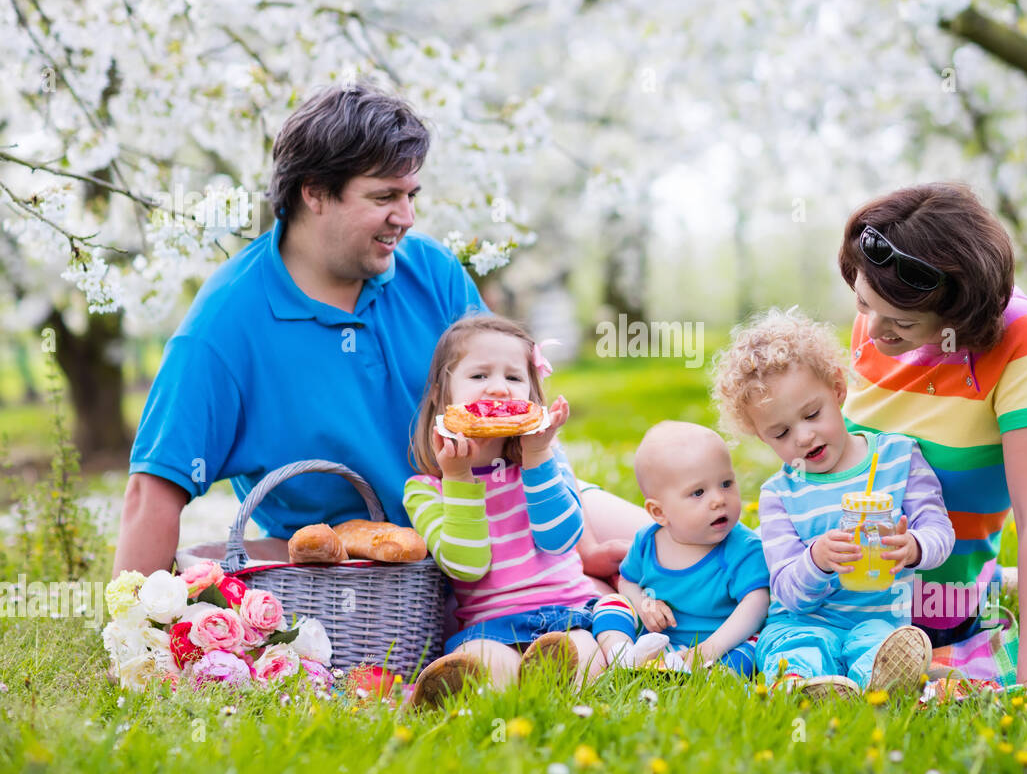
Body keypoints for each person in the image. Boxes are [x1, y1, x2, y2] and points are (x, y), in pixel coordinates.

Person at [113, 83, 644, 578]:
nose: (407, 216)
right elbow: (156, 488)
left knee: (687, 554)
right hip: (370, 572)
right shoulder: (224, 325)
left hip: (504, 509)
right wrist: (138, 635)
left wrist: (584, 545)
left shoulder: (432, 271)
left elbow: (523, 414)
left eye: (412, 194)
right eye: (385, 197)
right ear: (315, 192)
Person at [836, 183, 1027, 685]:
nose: (873, 333)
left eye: (900, 323)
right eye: (861, 305)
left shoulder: (1023, 342)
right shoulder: (881, 314)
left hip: (929, 616)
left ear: (958, 317)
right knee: (655, 538)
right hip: (822, 587)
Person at [712, 308, 955, 698]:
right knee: (797, 649)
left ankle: (875, 684)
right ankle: (804, 686)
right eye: (780, 432)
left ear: (838, 389)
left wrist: (914, 548)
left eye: (812, 414)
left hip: (878, 620)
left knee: (880, 648)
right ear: (762, 437)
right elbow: (787, 591)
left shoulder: (898, 457)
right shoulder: (779, 495)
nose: (804, 437)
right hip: (801, 621)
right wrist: (817, 561)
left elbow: (940, 530)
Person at [403, 315, 607, 709]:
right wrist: (459, 476)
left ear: (532, 394)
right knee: (489, 665)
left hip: (568, 614)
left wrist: (537, 455)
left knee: (581, 652)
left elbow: (561, 537)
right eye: (479, 376)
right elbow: (467, 565)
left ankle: (555, 687)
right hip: (488, 628)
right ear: (442, 397)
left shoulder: (548, 460)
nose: (498, 388)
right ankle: (480, 694)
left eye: (514, 378)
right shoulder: (426, 489)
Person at [590, 421, 770, 676]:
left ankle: (712, 674)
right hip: (657, 643)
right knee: (610, 604)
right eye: (698, 492)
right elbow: (627, 582)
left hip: (719, 645)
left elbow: (757, 604)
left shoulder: (742, 548)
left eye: (726, 483)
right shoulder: (647, 542)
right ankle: (625, 658)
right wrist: (644, 605)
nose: (719, 499)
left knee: (753, 643)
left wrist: (708, 649)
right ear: (659, 512)